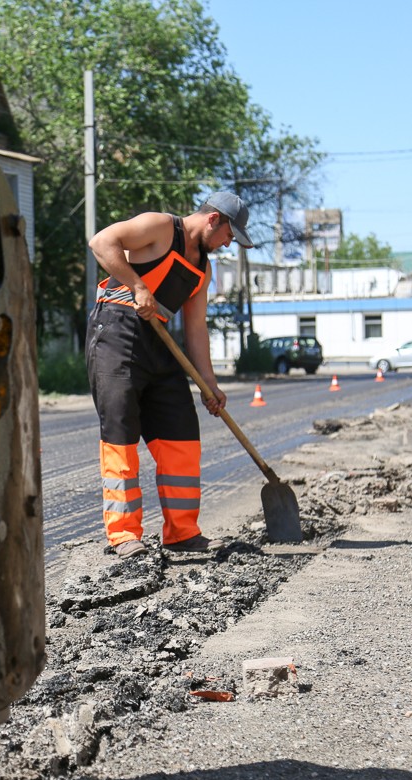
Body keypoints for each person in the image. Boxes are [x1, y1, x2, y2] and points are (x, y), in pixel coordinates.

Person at [85, 192, 252, 558]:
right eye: (229, 235)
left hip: (159, 343)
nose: (227, 244)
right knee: (121, 435)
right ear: (213, 219)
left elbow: (196, 327)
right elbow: (101, 242)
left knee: (182, 436)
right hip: (116, 334)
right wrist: (138, 286)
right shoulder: (160, 227)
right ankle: (124, 534)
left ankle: (182, 533)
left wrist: (209, 384)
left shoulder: (203, 269)